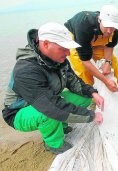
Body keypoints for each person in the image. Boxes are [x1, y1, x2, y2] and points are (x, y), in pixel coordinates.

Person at [2, 22, 104, 155]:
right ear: (45, 44)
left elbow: (74, 82)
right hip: (18, 112)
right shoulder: (26, 70)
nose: (68, 53)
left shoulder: (58, 59)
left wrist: (93, 93)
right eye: (63, 48)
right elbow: (50, 106)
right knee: (48, 113)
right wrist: (91, 116)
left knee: (85, 98)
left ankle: (61, 125)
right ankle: (54, 144)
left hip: (47, 99)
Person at [64, 4, 118, 92]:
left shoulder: (116, 29)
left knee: (112, 64)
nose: (109, 31)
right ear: (99, 20)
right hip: (77, 37)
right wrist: (106, 81)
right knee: (84, 71)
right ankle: (92, 96)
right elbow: (85, 61)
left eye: (112, 27)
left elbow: (109, 45)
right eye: (107, 26)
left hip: (97, 38)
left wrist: (107, 62)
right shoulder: (83, 27)